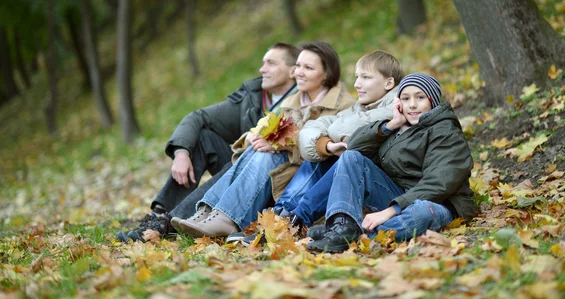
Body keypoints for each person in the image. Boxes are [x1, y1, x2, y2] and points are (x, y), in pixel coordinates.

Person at [116, 43, 300, 242]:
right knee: (204, 138)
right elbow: (198, 117)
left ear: (292, 70)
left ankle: (166, 225)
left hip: (276, 183)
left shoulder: (303, 100)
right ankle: (160, 215)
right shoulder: (254, 97)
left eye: (271, 63)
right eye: (263, 63)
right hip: (240, 177)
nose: (262, 69)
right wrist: (181, 152)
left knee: (239, 161)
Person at [172, 41, 355, 238]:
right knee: (259, 148)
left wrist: (280, 144)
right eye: (299, 66)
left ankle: (227, 218)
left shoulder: (344, 106)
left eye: (308, 68)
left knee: (267, 153)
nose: (299, 73)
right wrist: (253, 137)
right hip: (272, 174)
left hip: (302, 181)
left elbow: (330, 153)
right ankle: (208, 211)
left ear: (326, 74)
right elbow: (264, 128)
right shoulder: (292, 101)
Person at [232, 50, 404, 245]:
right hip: (362, 185)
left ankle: (292, 222)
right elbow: (310, 130)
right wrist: (327, 145)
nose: (357, 84)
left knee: (345, 158)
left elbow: (344, 127)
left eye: (365, 78)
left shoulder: (398, 106)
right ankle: (282, 217)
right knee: (320, 156)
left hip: (391, 195)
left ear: (389, 83)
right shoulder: (360, 108)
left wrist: (330, 135)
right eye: (357, 77)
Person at [306, 73, 476, 253]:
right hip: (400, 196)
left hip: (438, 202)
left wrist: (389, 211)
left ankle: (358, 236)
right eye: (405, 98)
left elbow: (438, 184)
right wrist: (390, 125)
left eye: (420, 97)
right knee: (350, 157)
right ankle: (343, 224)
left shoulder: (445, 132)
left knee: (423, 212)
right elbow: (355, 147)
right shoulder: (399, 127)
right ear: (398, 103)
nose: (412, 104)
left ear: (432, 101)